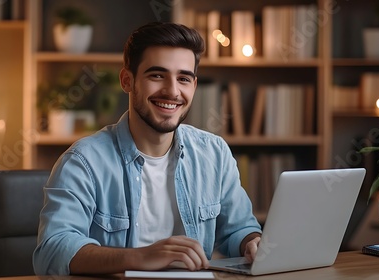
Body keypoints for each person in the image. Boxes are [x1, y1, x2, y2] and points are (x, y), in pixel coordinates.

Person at [33, 21, 262, 276]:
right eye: (157, 75)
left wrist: (252, 242)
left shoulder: (215, 153)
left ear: (194, 86)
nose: (172, 91)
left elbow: (239, 229)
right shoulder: (82, 161)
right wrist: (140, 257)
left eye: (183, 78)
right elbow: (52, 251)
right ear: (127, 81)